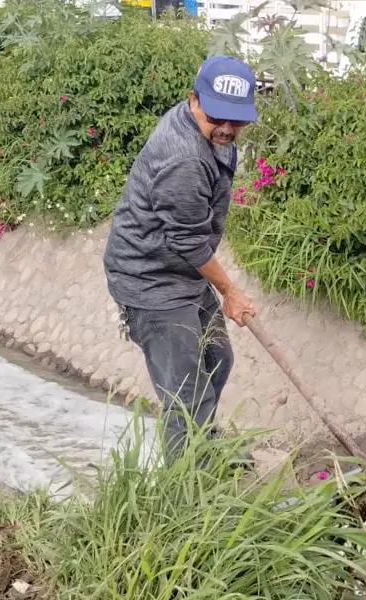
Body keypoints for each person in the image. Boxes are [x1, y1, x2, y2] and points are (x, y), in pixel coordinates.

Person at [103, 55, 259, 456]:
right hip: (151, 278)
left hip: (183, 271)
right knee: (185, 391)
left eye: (236, 121)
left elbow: (191, 242)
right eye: (217, 118)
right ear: (194, 100)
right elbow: (189, 241)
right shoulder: (184, 158)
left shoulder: (207, 133)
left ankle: (202, 444)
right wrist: (231, 292)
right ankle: (187, 488)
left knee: (217, 359)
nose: (226, 129)